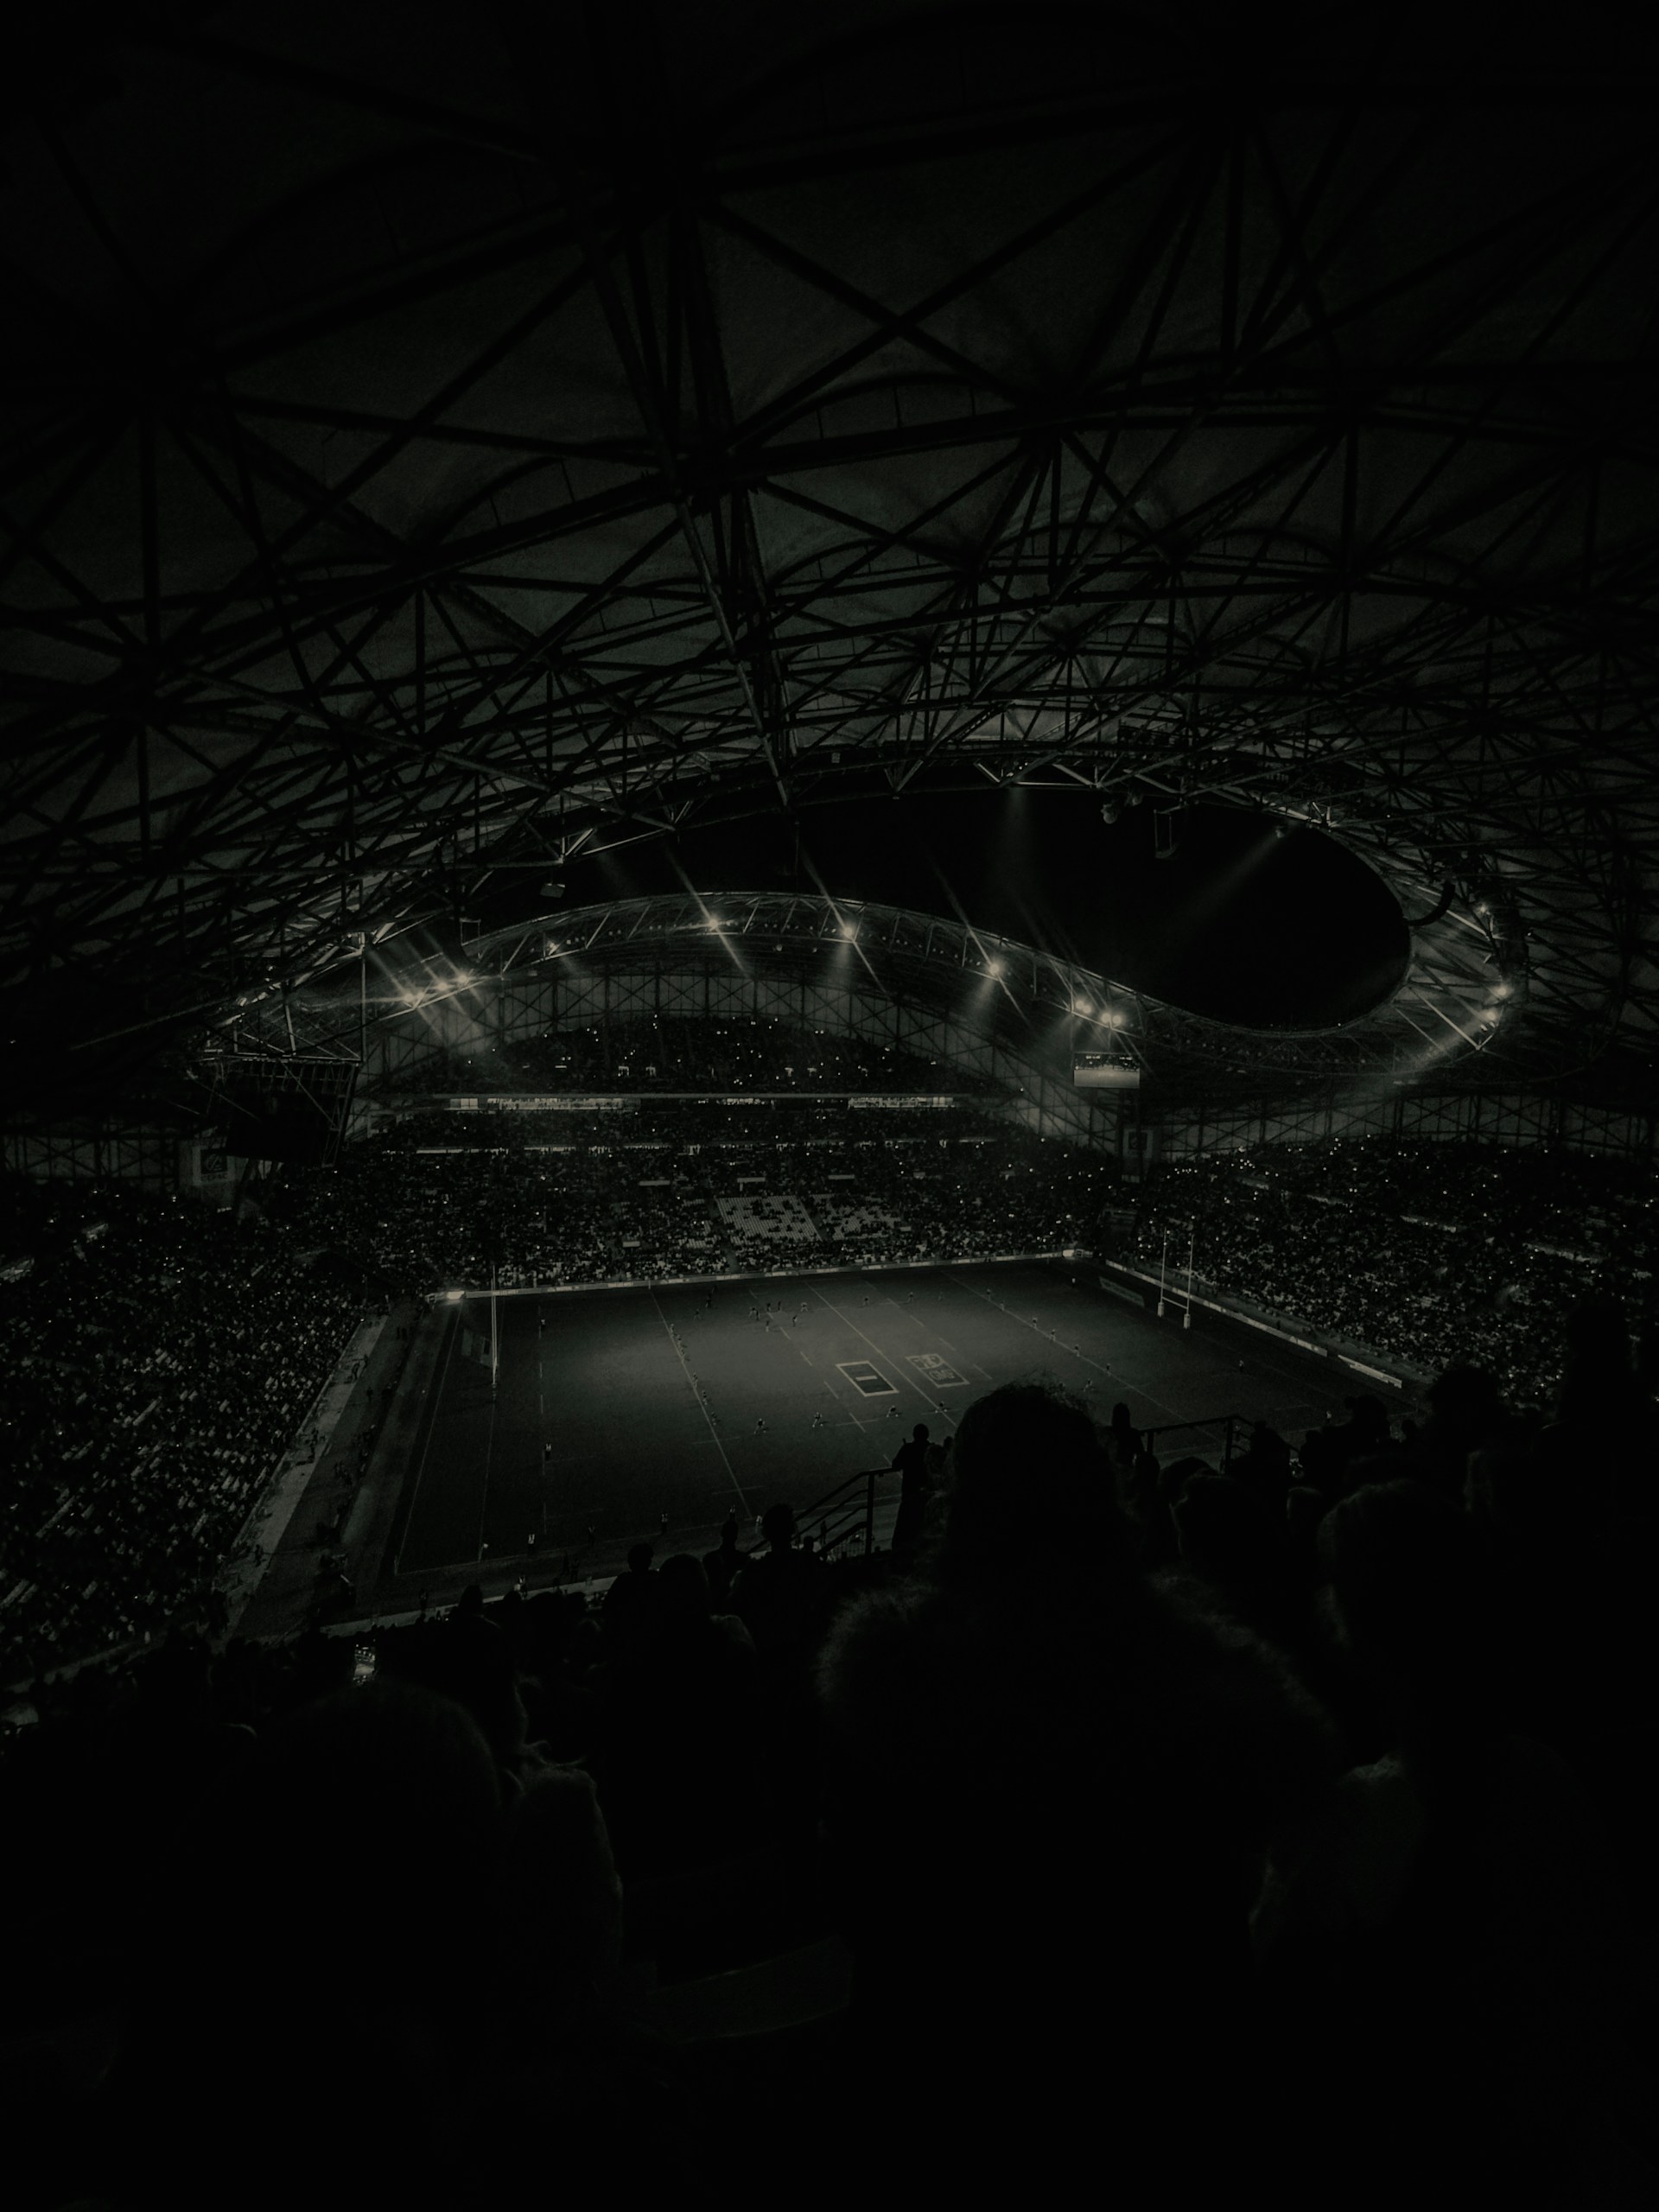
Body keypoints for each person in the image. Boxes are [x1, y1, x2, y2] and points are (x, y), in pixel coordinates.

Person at [889, 1423, 933, 1564]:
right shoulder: (932, 1449)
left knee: (904, 1528)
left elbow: (895, 1465)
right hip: (927, 1496)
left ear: (914, 1435)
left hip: (909, 1495)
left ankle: (901, 1559)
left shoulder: (908, 1449)